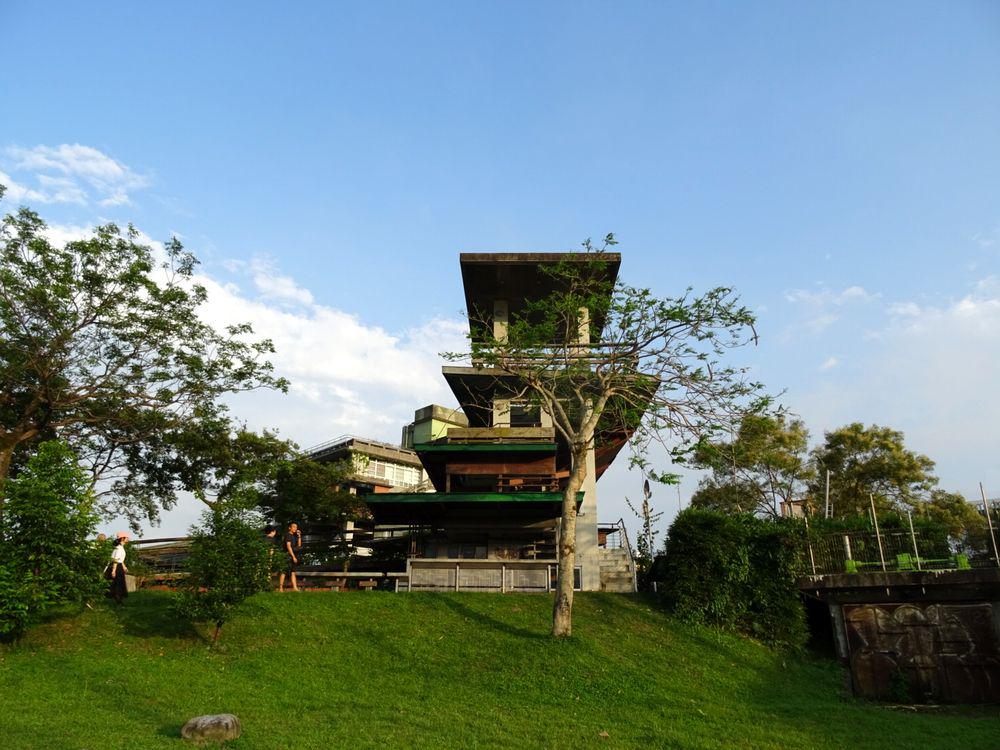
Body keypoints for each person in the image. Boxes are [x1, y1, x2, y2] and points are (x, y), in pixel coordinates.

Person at [278, 522, 302, 592]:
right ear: (289, 528)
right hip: (287, 556)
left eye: (296, 527)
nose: (295, 528)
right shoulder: (287, 535)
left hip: (293, 556)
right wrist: (293, 556)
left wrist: (299, 536)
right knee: (284, 571)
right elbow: (288, 546)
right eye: (294, 527)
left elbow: (299, 545)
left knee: (293, 572)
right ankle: (280, 588)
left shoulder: (294, 536)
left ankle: (295, 588)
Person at [107, 534, 129, 605]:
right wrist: (113, 570)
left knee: (119, 584)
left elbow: (120, 560)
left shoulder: (120, 547)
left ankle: (119, 601)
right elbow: (115, 560)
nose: (128, 538)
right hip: (116, 567)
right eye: (127, 537)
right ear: (122, 538)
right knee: (117, 584)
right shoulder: (119, 548)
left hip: (118, 566)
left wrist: (124, 567)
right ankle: (119, 601)